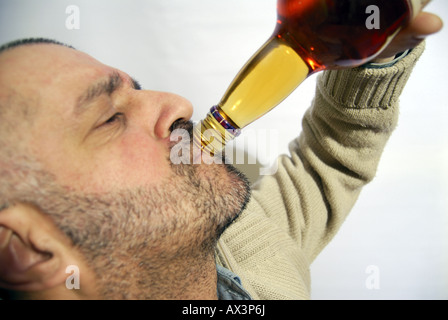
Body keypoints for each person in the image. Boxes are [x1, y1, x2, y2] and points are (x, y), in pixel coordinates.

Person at [0, 11, 443, 300]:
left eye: (136, 88)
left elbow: (327, 165)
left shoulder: (245, 241)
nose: (179, 104)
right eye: (111, 117)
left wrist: (370, 55)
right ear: (24, 250)